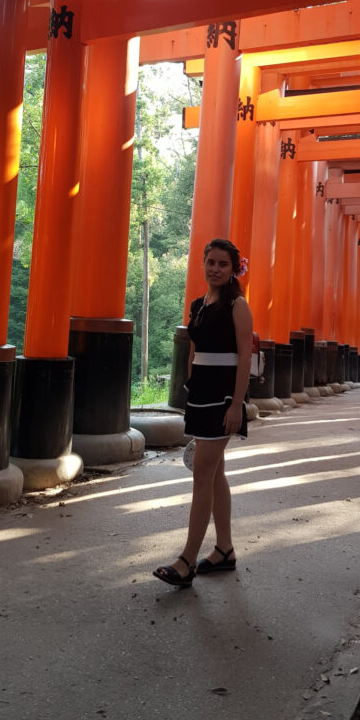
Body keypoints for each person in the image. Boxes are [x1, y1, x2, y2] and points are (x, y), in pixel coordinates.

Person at [153, 238, 254, 588]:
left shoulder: (238, 305)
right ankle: (224, 549)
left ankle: (187, 560)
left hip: (223, 397)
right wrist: (190, 389)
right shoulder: (198, 305)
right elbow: (195, 353)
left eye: (222, 264)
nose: (215, 269)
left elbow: (245, 358)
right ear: (203, 263)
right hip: (200, 395)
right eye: (210, 262)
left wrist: (237, 403)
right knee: (215, 473)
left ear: (232, 269)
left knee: (202, 474)